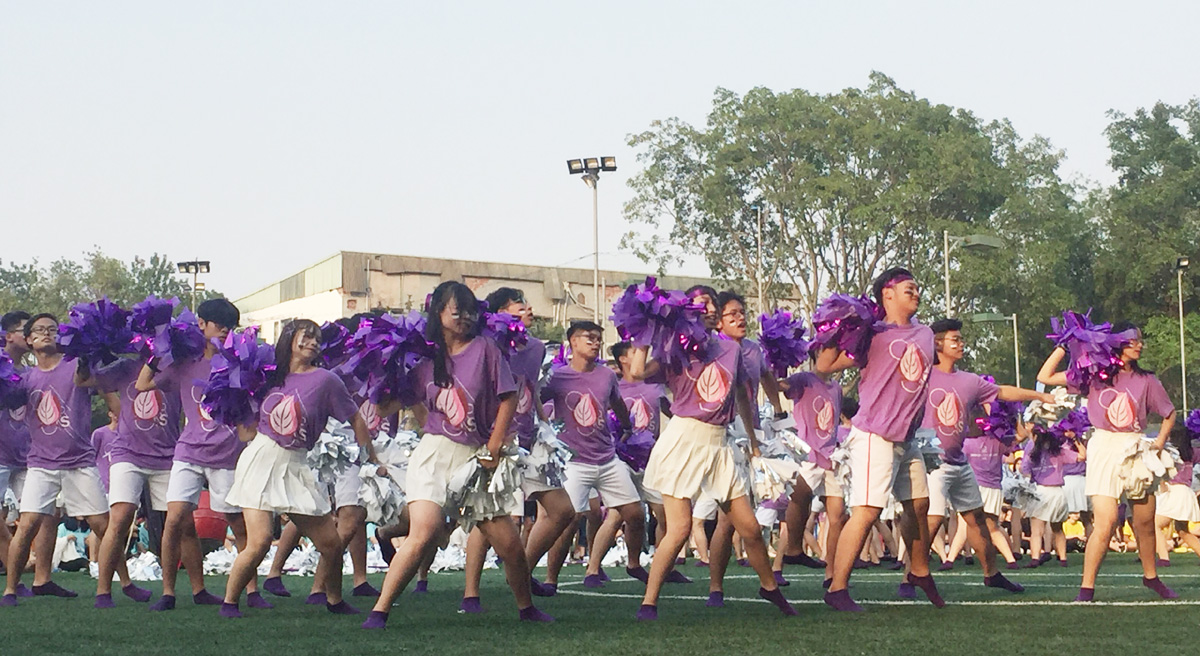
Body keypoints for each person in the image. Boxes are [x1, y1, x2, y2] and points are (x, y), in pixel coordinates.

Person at [363, 281, 552, 629]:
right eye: (456, 310)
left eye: (469, 310)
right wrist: (380, 376)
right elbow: (389, 403)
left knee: (509, 544)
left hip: (476, 458)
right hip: (434, 453)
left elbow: (508, 397)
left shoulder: (485, 349)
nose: (464, 316)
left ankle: (527, 608)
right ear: (439, 313)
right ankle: (380, 610)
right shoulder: (425, 360)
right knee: (424, 532)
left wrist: (495, 445)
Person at [627, 285, 795, 621]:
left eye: (710, 303)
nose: (705, 308)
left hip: (719, 442)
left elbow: (742, 397)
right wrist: (644, 333)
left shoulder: (731, 350)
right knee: (679, 528)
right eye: (697, 303)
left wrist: (753, 438)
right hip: (684, 438)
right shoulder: (675, 346)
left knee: (749, 526)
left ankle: (769, 587)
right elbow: (636, 372)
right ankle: (649, 602)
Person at [220, 319, 383, 618]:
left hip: (296, 463)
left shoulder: (326, 380)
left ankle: (334, 600)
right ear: (289, 339)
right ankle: (229, 603)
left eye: (317, 339)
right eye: (306, 336)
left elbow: (356, 418)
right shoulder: (268, 375)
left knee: (331, 544)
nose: (313, 342)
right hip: (261, 459)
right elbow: (245, 419)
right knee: (258, 542)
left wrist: (368, 458)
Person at [818, 268, 942, 611]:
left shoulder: (927, 334)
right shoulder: (870, 334)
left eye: (916, 288)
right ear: (887, 294)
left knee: (919, 504)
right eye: (908, 289)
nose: (915, 293)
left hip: (907, 438)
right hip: (875, 435)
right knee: (867, 511)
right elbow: (826, 366)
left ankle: (918, 569)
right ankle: (837, 587)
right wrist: (837, 329)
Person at [2, 314, 144, 605]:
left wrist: (88, 351)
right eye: (39, 330)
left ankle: (123, 583)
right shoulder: (26, 379)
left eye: (52, 329)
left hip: (80, 462)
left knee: (103, 526)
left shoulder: (74, 368)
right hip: (40, 464)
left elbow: (92, 378)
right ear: (29, 340)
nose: (46, 334)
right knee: (27, 524)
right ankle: (11, 590)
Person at [138, 298, 269, 611]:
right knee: (174, 521)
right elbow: (143, 384)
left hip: (227, 456)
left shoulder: (239, 363)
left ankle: (251, 591)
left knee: (238, 525)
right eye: (208, 324)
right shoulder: (185, 362)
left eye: (228, 327)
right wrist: (158, 353)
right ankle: (168, 593)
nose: (222, 331)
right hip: (188, 452)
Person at [1038, 321, 1178, 601]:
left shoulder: (1147, 379)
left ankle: (1151, 577)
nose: (1138, 345)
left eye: (1140, 340)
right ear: (1116, 344)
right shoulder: (1094, 376)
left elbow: (1169, 413)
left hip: (1135, 447)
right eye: (1131, 340)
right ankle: (1086, 588)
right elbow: (1046, 376)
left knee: (1144, 520)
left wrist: (1159, 443)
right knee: (1106, 519)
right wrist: (1065, 345)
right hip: (1102, 446)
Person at [915, 318, 1049, 593]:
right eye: (955, 339)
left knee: (977, 518)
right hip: (932, 460)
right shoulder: (923, 376)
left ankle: (992, 573)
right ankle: (912, 575)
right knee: (933, 518)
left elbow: (1002, 392)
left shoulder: (969, 380)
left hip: (958, 460)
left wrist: (1040, 395)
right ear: (937, 343)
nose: (961, 343)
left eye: (961, 339)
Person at [461, 288, 573, 605]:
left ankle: (521, 568)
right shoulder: (485, 345)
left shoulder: (536, 347)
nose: (529, 310)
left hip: (528, 439)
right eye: (520, 306)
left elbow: (529, 386)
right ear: (499, 314)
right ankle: (471, 593)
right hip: (494, 440)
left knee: (562, 510)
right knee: (487, 519)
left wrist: (542, 420)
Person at [541, 321, 647, 591]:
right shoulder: (556, 377)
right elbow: (534, 401)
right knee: (568, 520)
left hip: (607, 458)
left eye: (598, 338)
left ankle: (633, 564)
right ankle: (551, 579)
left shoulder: (606, 376)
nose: (595, 342)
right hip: (573, 461)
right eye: (588, 337)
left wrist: (626, 427)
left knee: (635, 513)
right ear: (572, 343)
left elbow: (617, 403)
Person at [704, 291, 789, 604]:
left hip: (755, 433)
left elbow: (766, 377)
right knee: (728, 517)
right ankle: (716, 586)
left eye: (742, 312)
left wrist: (779, 412)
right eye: (731, 315)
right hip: (726, 434)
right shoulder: (713, 349)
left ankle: (774, 573)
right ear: (720, 322)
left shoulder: (753, 349)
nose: (740, 319)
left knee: (775, 501)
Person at [90, 345, 184, 608]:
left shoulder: (177, 368)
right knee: (119, 518)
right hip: (127, 452)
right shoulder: (124, 366)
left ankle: (168, 593)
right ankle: (103, 592)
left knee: (175, 523)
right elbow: (91, 380)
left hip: (167, 455)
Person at [0, 311, 57, 599]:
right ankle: (16, 574)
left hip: (29, 454)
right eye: (24, 330)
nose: (30, 334)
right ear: (8, 335)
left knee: (46, 514)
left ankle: (42, 579)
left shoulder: (33, 371)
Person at [778, 364, 845, 588]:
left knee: (837, 515)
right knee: (799, 500)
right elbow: (782, 386)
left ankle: (831, 572)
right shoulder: (804, 379)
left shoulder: (836, 387)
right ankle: (785, 558)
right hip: (808, 455)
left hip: (831, 457)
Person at [1020, 427, 1082, 567]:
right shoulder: (1059, 452)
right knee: (1058, 528)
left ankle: (1035, 558)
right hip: (1058, 492)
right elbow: (1082, 456)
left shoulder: (1032, 453)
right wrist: (1075, 439)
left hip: (1041, 491)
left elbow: (1024, 471)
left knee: (1036, 530)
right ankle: (1063, 559)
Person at [1154, 424, 1200, 565]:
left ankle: (1163, 558)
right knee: (1182, 530)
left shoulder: (1170, 451)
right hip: (1187, 492)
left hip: (1175, 491)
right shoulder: (1192, 451)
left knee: (1154, 524)